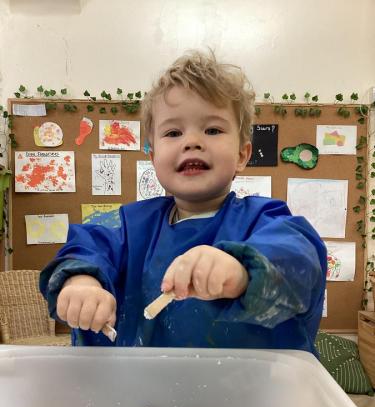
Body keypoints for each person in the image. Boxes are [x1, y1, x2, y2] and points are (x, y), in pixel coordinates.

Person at [40, 50, 327, 354]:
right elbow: (89, 245)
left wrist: (243, 270)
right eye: (174, 132)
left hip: (246, 395)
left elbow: (299, 255)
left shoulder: (263, 220)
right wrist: (81, 281)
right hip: (144, 394)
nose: (192, 141)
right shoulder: (130, 228)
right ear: (153, 157)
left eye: (212, 129)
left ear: (242, 155)